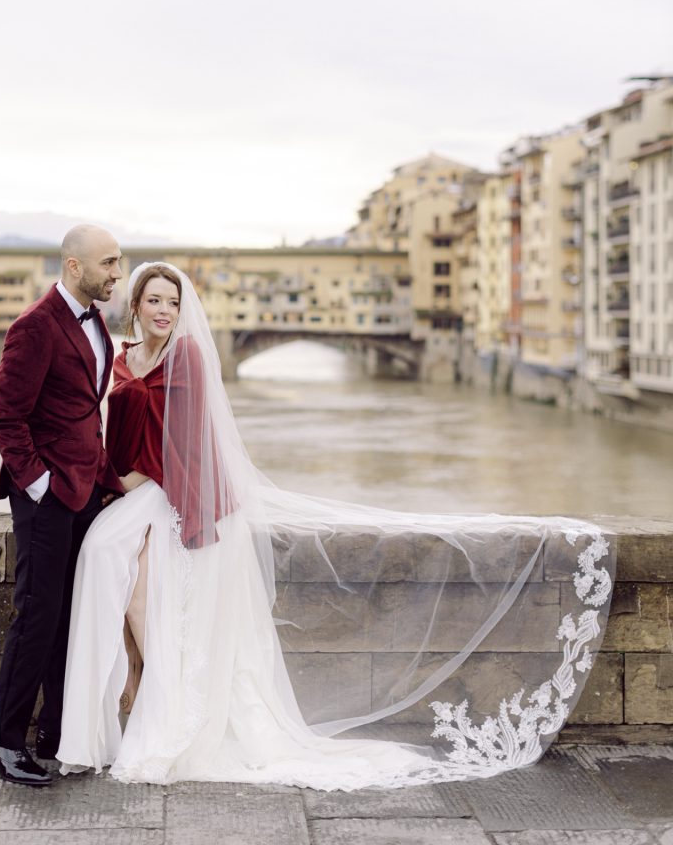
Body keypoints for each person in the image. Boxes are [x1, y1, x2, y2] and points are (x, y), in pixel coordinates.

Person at [57, 260, 614, 790]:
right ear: (135, 304)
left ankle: (154, 694)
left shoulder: (190, 357)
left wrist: (150, 487)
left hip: (173, 489)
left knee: (133, 582)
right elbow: (105, 429)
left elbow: (193, 441)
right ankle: (127, 681)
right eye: (154, 300)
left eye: (173, 302)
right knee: (109, 560)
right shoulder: (123, 357)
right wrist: (111, 479)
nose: (164, 310)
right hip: (129, 488)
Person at [0, 225, 124, 786]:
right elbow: (4, 418)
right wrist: (38, 485)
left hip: (85, 492)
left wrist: (107, 481)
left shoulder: (96, 325)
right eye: (108, 262)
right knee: (36, 618)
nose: (117, 272)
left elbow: (84, 415)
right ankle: (4, 744)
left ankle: (57, 731)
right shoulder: (34, 327)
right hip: (46, 499)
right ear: (73, 265)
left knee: (71, 617)